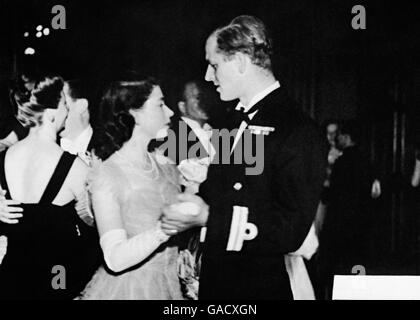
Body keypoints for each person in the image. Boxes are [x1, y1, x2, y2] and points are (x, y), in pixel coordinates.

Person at [161, 15, 327, 300]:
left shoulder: (297, 130)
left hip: (260, 287)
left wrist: (210, 218)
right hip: (219, 280)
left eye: (214, 66)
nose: (207, 77)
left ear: (239, 62)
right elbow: (227, 190)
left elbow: (291, 231)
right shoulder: (230, 121)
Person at [77, 78, 188, 300]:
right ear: (134, 113)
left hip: (171, 287)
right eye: (160, 104)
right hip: (131, 291)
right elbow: (114, 258)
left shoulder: (166, 166)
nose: (170, 112)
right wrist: (163, 230)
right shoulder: (108, 175)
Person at [0, 76, 94, 299]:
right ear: (52, 113)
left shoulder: (3, 158)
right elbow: (95, 223)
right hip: (56, 278)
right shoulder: (75, 167)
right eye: (64, 105)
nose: (68, 112)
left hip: (11, 277)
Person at [319, 119, 376, 299]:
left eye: (338, 136)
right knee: (357, 261)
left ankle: (328, 294)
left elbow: (331, 192)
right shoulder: (366, 159)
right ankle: (357, 292)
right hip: (360, 219)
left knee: (330, 263)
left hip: (339, 219)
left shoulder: (342, 162)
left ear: (345, 137)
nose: (336, 139)